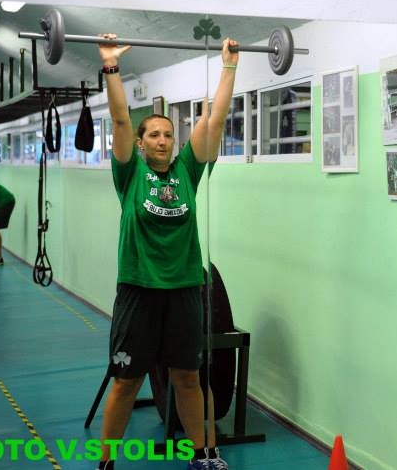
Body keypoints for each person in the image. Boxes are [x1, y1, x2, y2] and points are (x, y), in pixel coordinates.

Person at [94, 33, 238, 470]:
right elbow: (120, 121)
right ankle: (106, 462)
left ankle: (204, 455)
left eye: (167, 134)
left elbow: (214, 121)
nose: (161, 140)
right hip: (138, 292)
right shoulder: (130, 175)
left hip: (183, 292)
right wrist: (111, 66)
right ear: (140, 144)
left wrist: (229, 65)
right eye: (153, 134)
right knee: (125, 381)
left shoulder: (187, 172)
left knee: (190, 379)